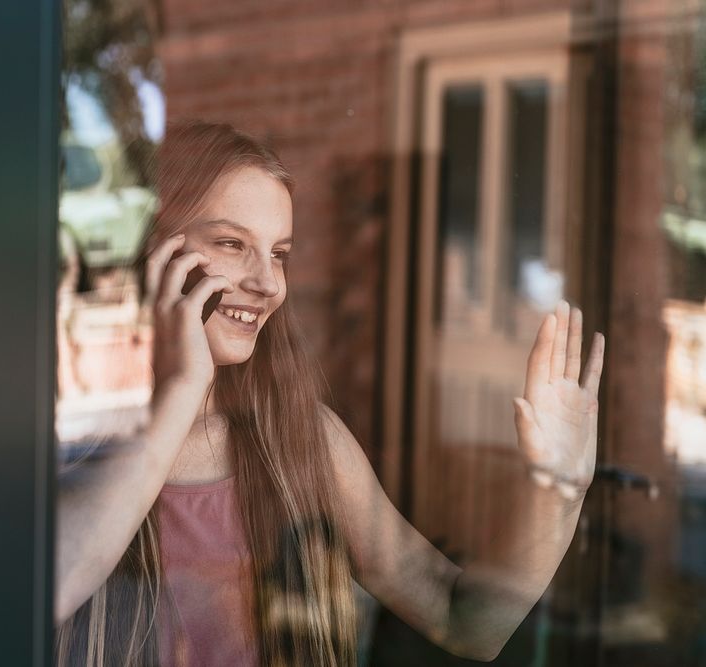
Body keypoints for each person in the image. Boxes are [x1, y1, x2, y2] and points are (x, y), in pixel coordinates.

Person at [55, 121, 606, 666]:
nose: (268, 283)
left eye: (279, 254)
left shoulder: (304, 440)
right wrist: (180, 394)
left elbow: (465, 621)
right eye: (231, 243)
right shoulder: (72, 443)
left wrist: (558, 488)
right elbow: (36, 594)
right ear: (158, 253)